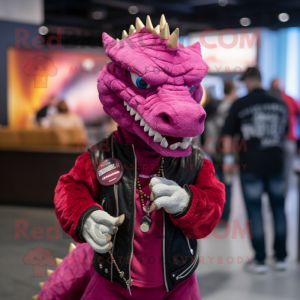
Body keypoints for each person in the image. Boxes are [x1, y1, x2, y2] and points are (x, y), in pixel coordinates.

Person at [222, 67, 289, 274]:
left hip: (251, 165)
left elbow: (226, 136)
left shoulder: (240, 104)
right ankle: (280, 259)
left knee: (255, 212)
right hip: (277, 164)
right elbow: (285, 133)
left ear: (249, 80)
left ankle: (259, 261)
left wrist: (228, 159)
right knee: (278, 210)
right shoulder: (280, 103)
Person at [204, 81, 238, 222]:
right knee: (227, 184)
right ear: (233, 91)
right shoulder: (232, 108)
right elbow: (231, 133)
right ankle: (224, 216)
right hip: (227, 152)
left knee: (216, 184)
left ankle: (216, 214)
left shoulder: (214, 106)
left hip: (214, 151)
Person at [269, 78, 300, 193]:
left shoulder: (290, 99)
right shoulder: (287, 99)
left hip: (286, 140)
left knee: (284, 172)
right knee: (278, 172)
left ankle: (281, 198)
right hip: (274, 141)